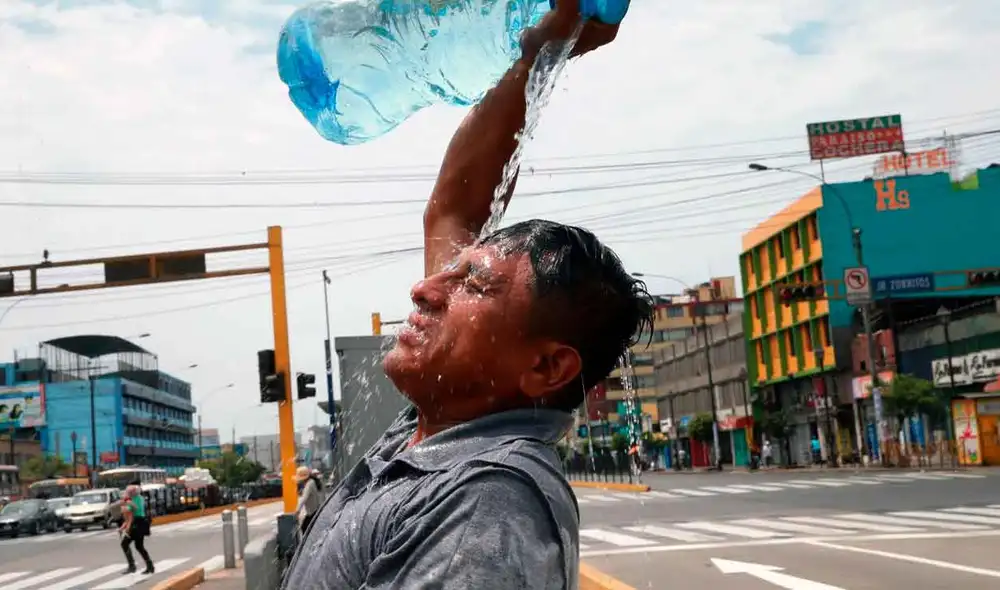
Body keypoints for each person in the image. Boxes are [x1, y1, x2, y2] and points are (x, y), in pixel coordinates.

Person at [280, 3, 648, 589]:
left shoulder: (485, 508)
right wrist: (541, 54)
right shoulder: (440, 431)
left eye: (474, 285)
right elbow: (456, 204)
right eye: (457, 272)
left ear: (546, 365)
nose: (425, 288)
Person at [119, 484, 154, 575]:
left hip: (137, 523)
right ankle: (149, 566)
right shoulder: (135, 498)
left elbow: (132, 509)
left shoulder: (137, 499)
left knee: (125, 543)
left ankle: (132, 566)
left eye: (129, 492)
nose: (128, 493)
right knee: (139, 546)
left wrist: (125, 505)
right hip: (137, 523)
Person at [295, 466, 322, 535]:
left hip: (313, 512)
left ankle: (309, 544)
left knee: (305, 528)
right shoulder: (311, 482)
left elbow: (304, 498)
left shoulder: (309, 484)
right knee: (306, 528)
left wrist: (297, 511)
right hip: (314, 511)